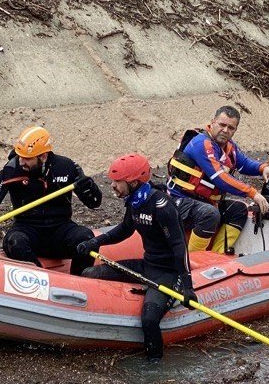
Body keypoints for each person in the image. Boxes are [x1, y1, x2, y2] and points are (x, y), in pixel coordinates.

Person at [77, 154, 193, 362]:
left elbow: (179, 246)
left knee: (149, 320)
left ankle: (154, 365)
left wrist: (187, 285)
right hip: (147, 265)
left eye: (117, 182)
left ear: (133, 182)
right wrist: (96, 242)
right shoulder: (134, 202)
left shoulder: (161, 206)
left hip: (166, 273)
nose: (112, 186)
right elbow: (125, 230)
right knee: (90, 273)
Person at [0, 125, 102, 275]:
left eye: (27, 158)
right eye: (19, 156)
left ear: (43, 156)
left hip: (60, 229)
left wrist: (88, 187)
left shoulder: (66, 167)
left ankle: (78, 282)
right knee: (15, 241)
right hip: (27, 228)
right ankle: (43, 280)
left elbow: (94, 202)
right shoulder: (12, 169)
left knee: (87, 238)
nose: (21, 162)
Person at [167, 105, 269, 253]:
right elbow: (220, 178)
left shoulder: (229, 147)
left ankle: (218, 255)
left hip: (203, 201)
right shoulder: (201, 143)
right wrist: (252, 193)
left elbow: (244, 164)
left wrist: (263, 168)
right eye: (222, 125)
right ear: (213, 122)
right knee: (210, 214)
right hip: (180, 200)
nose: (225, 130)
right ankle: (192, 261)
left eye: (231, 128)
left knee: (238, 209)